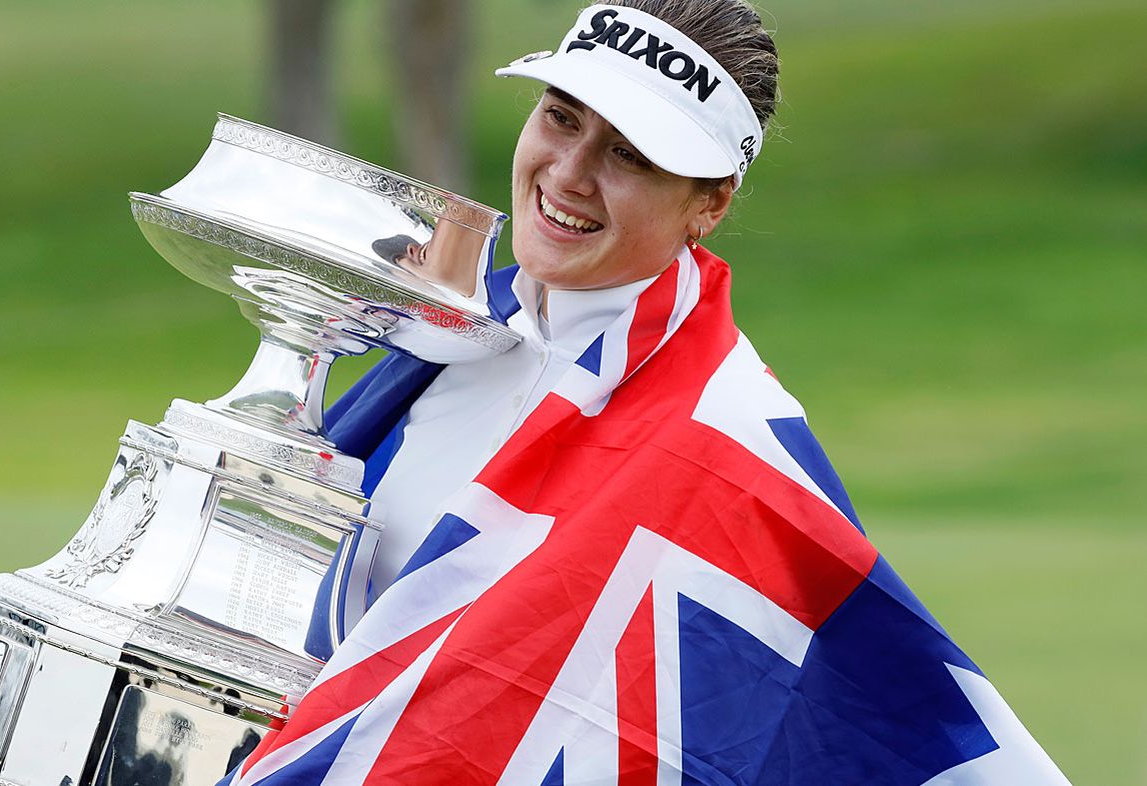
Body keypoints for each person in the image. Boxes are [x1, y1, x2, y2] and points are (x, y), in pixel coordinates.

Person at [224, 2, 1071, 783]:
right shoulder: (446, 331)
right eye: (561, 116)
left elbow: (855, 724)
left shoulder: (730, 442)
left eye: (630, 153)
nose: (571, 172)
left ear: (710, 202)